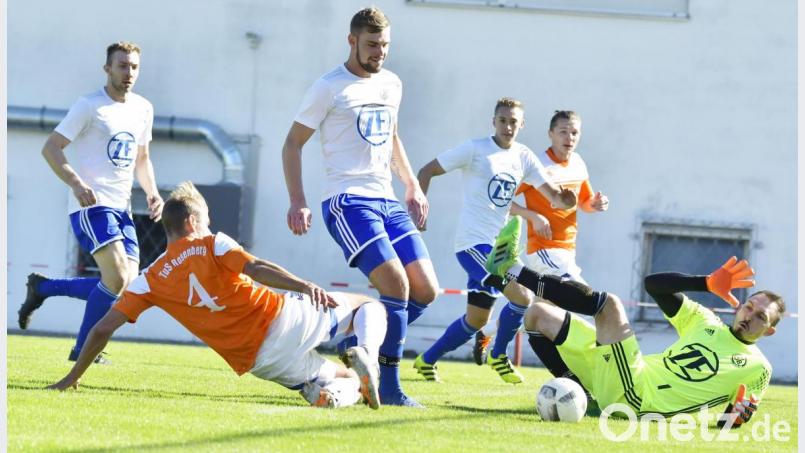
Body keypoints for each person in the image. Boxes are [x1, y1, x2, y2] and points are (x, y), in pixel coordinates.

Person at [48, 182, 386, 410]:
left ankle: (333, 395)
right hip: (282, 319)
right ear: (192, 221)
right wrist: (303, 285)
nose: (208, 226)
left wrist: (71, 378)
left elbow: (102, 329)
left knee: (344, 378)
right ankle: (369, 355)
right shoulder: (212, 243)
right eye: (206, 220)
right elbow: (256, 268)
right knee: (366, 306)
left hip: (259, 361)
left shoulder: (147, 280)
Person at [281, 7, 438, 407]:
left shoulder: (392, 83)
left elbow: (392, 137)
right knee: (396, 286)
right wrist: (298, 200)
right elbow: (292, 144)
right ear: (352, 41)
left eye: (384, 45)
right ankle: (389, 388)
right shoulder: (328, 87)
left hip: (387, 199)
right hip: (347, 201)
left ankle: (357, 341)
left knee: (426, 290)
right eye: (371, 45)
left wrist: (412, 186)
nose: (379, 52)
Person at [486, 217, 781, 423]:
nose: (750, 316)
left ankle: (512, 269)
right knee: (537, 315)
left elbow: (731, 419)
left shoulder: (758, 367)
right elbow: (653, 285)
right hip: (625, 373)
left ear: (769, 331)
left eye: (761, 317)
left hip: (640, 400)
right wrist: (705, 283)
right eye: (749, 306)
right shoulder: (706, 321)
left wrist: (738, 417)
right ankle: (582, 393)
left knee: (610, 305)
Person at [18, 41, 163, 364]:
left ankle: (43, 289)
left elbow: (142, 159)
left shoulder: (143, 108)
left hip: (123, 208)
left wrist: (153, 192)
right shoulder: (89, 105)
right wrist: (76, 183)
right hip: (92, 205)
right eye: (122, 66)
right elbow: (51, 147)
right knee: (116, 279)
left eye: (134, 67)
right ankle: (82, 351)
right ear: (107, 68)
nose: (128, 72)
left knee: (125, 286)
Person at [413, 98, 576, 384]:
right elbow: (426, 171)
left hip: (500, 248)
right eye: (503, 120)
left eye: (513, 122)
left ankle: (426, 360)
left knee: (476, 320)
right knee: (523, 296)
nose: (507, 127)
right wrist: (419, 210)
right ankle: (499, 355)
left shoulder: (524, 156)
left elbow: (554, 196)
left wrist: (566, 200)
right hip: (473, 246)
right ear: (494, 121)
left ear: (522, 125)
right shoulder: (474, 149)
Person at [475, 111, 609, 389]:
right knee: (586, 300)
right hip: (544, 249)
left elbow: (584, 201)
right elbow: (502, 200)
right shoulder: (537, 166)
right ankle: (599, 363)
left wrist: (595, 204)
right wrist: (532, 216)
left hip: (568, 250)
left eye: (574, 132)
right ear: (550, 134)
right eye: (563, 131)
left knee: (539, 309)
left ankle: (486, 332)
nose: (569, 138)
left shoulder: (578, 163)